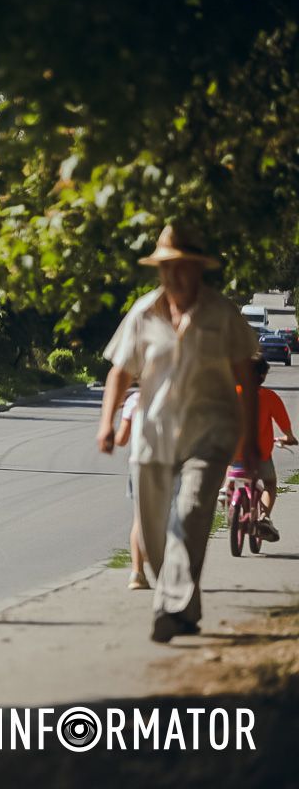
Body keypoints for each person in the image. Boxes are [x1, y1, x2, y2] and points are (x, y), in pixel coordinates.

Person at [97, 223, 259, 644]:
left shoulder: (222, 313)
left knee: (188, 518)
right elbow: (120, 371)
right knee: (153, 539)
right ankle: (186, 607)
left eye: (183, 267)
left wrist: (250, 438)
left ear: (198, 269)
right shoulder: (143, 312)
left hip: (211, 434)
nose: (175, 276)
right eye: (167, 268)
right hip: (154, 437)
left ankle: (168, 610)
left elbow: (246, 374)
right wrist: (107, 423)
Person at [233, 356, 297, 541]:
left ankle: (226, 493)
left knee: (228, 467)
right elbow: (285, 428)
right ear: (262, 376)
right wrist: (289, 438)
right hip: (260, 454)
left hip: (234, 452)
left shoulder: (232, 394)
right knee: (269, 483)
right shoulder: (269, 397)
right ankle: (264, 517)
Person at [114, 388, 149, 589]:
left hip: (139, 463)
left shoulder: (134, 400)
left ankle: (137, 572)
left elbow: (121, 439)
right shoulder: (178, 394)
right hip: (169, 463)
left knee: (139, 518)